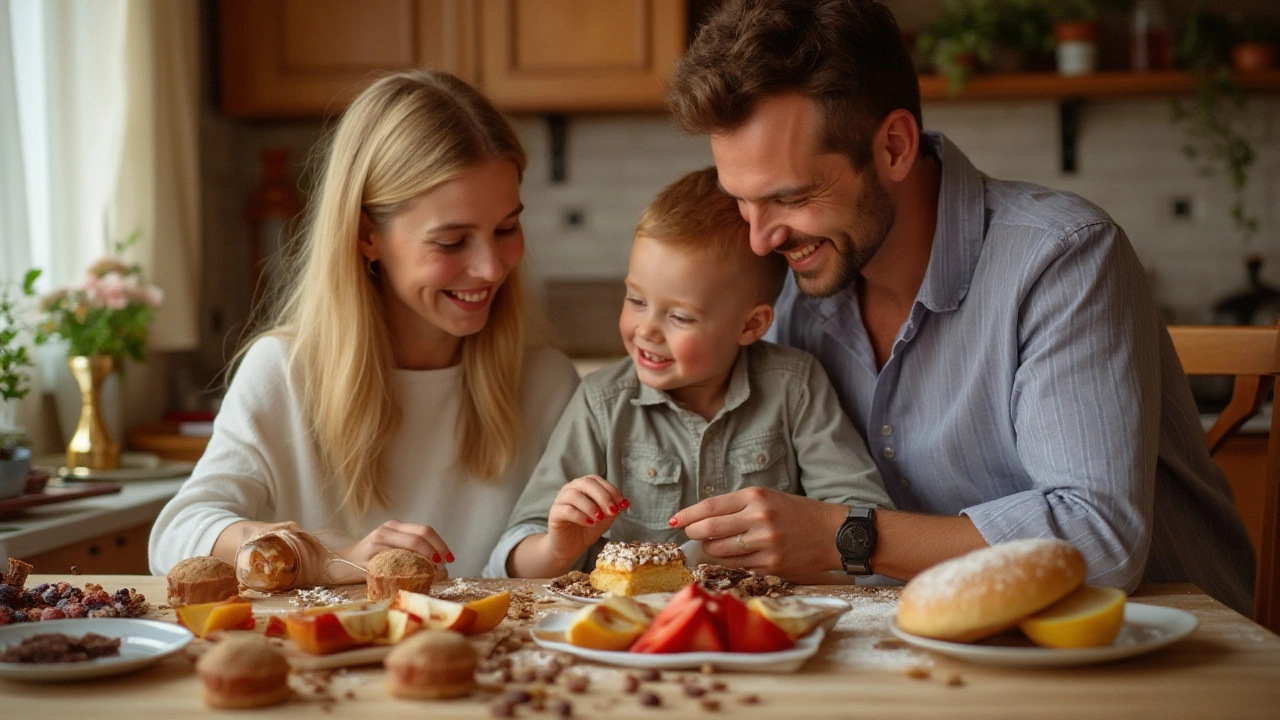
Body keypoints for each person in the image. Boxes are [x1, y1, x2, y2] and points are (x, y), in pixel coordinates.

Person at [664, 0, 1254, 614]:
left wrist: (840, 535)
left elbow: (1100, 541)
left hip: (1153, 654)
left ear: (893, 146)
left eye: (791, 196)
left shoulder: (1063, 259)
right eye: (742, 201)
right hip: (924, 650)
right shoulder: (791, 289)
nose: (761, 239)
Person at [148, 70, 581, 581]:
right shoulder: (284, 372)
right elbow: (176, 535)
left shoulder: (547, 383)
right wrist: (323, 555)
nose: (491, 267)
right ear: (366, 235)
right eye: (451, 241)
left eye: (506, 228)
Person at [486, 167, 894, 580]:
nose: (645, 330)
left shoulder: (795, 385)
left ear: (750, 326)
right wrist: (557, 547)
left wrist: (812, 547)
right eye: (636, 299)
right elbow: (513, 556)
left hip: (764, 623)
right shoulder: (601, 402)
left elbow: (865, 518)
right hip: (635, 630)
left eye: (680, 316)